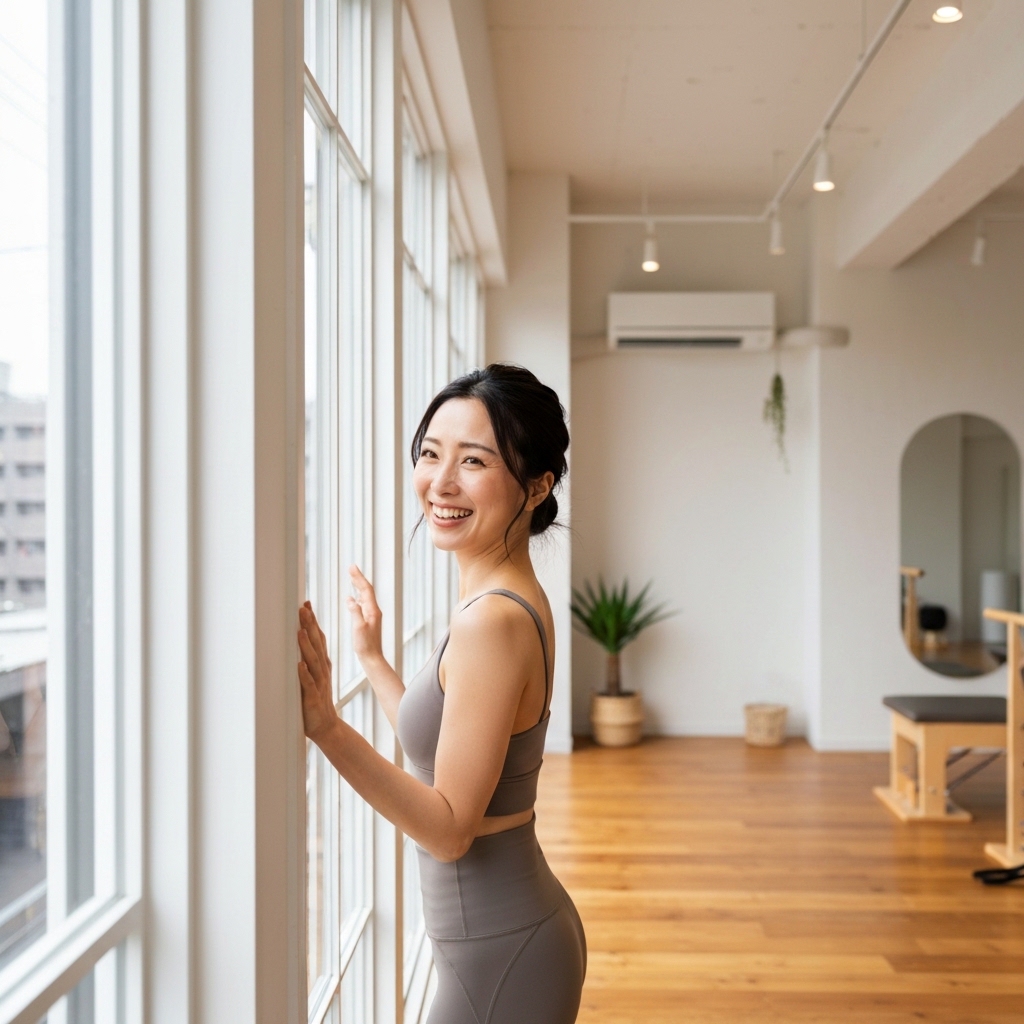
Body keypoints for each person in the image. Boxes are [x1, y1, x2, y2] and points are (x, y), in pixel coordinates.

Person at [297, 363, 586, 1024]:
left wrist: (328, 728)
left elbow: (451, 829)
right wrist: (371, 658)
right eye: (431, 454)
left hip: (502, 955)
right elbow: (450, 752)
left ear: (537, 486)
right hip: (503, 942)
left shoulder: (490, 619)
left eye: (474, 461)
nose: (440, 481)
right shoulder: (501, 598)